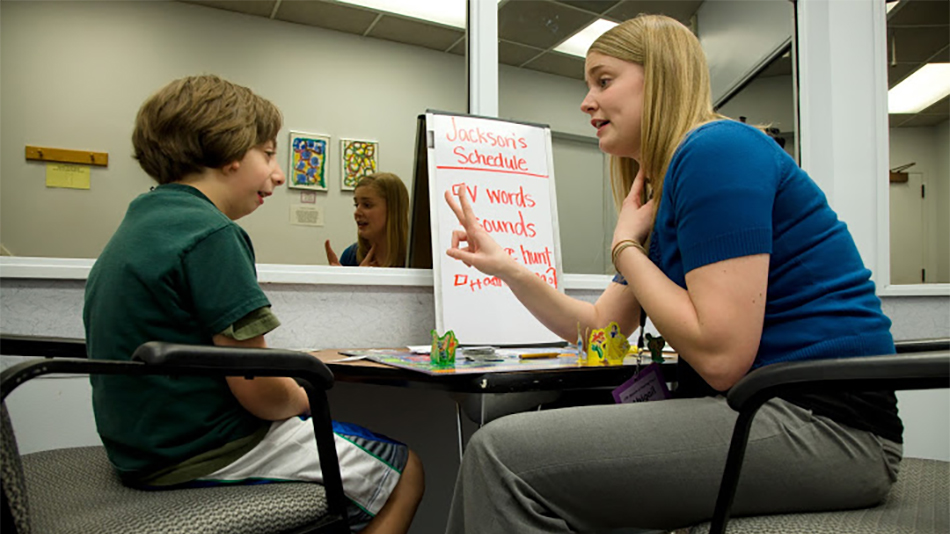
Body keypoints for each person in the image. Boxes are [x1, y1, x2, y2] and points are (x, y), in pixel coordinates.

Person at [442, 14, 901, 534]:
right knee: (517, 444)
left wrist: (625, 249)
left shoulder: (717, 151)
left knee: (501, 455)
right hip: (772, 410)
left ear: (658, 78)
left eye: (604, 80)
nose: (586, 101)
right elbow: (601, 332)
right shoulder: (674, 179)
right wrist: (506, 268)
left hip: (830, 428)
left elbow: (723, 357)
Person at [83, 75, 423, 534]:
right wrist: (307, 394)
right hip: (206, 452)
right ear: (228, 154)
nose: (279, 173)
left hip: (141, 450)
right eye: (267, 154)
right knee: (406, 473)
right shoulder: (212, 234)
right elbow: (260, 392)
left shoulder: (139, 224)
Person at [325, 172, 409, 268]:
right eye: (356, 205)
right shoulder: (350, 256)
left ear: (393, 209)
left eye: (367, 205)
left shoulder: (418, 258)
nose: (357, 212)